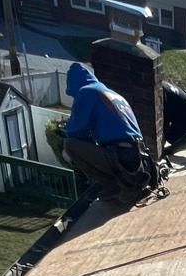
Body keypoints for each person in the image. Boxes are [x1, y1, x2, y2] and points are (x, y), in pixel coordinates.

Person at [61, 62, 148, 206]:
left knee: (70, 145)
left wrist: (66, 128)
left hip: (122, 157)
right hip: (138, 157)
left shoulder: (86, 91)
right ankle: (124, 183)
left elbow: (75, 131)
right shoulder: (109, 93)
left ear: (74, 84)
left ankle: (111, 186)